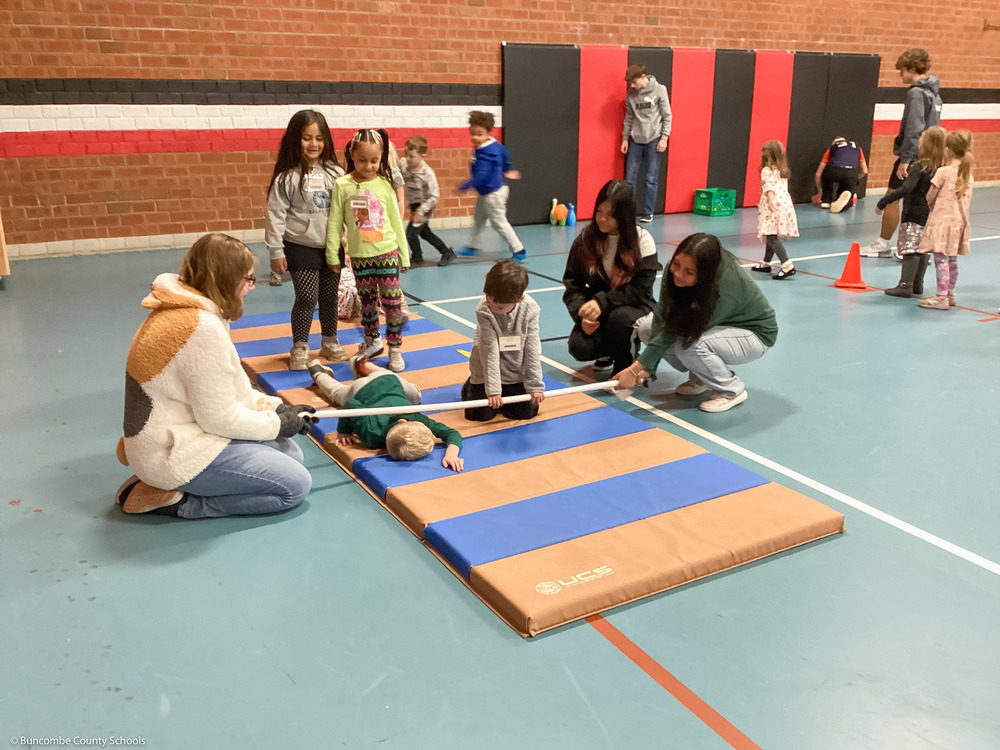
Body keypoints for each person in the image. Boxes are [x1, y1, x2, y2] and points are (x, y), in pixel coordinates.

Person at [114, 233, 316, 518]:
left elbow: (231, 390)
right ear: (225, 279)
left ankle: (159, 483)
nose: (251, 287)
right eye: (248, 279)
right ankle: (180, 502)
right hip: (170, 453)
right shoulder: (201, 329)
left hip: (170, 437)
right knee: (294, 486)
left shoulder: (190, 311)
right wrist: (277, 425)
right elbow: (220, 418)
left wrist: (275, 408)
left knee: (291, 455)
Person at [614, 233, 778, 413]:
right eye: (676, 264)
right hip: (711, 325)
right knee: (647, 328)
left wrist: (636, 368)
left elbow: (682, 327)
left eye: (689, 272)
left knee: (691, 346)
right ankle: (703, 378)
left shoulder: (726, 288)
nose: (677, 273)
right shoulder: (677, 267)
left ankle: (731, 390)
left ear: (705, 274)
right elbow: (662, 315)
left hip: (753, 333)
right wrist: (649, 367)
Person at [265, 110, 346, 370]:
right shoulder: (287, 177)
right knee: (307, 297)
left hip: (331, 246)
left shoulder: (336, 173)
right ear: (295, 139)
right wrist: (276, 250)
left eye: (319, 139)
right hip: (300, 245)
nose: (314, 144)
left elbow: (344, 209)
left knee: (330, 296)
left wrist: (348, 240)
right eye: (307, 138)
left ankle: (329, 341)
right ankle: (300, 345)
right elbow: (275, 213)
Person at [328, 128, 410, 372]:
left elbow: (395, 221)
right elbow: (335, 222)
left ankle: (395, 346)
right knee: (367, 302)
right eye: (362, 160)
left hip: (387, 253)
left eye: (374, 161)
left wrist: (403, 254)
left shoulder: (385, 184)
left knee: (393, 303)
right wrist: (333, 254)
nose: (369, 166)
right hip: (361, 257)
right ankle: (372, 340)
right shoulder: (343, 185)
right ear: (351, 155)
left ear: (381, 158)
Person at [562, 179, 657, 380]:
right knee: (579, 347)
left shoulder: (642, 241)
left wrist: (602, 302)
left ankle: (626, 358)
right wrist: (583, 315)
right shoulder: (586, 240)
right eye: (599, 212)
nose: (602, 220)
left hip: (634, 306)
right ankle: (607, 351)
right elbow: (572, 284)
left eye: (611, 215)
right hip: (599, 308)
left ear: (624, 216)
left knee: (620, 319)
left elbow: (640, 291)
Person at [308, 356, 464, 472]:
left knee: (416, 394)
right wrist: (343, 431)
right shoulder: (371, 435)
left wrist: (451, 454)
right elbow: (350, 405)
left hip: (389, 380)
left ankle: (365, 365)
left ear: (402, 422)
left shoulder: (414, 418)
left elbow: (452, 434)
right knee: (337, 394)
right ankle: (318, 373)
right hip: (361, 388)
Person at [861, 49, 942, 258]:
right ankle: (913, 247)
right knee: (918, 203)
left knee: (892, 197)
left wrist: (905, 159)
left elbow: (914, 128)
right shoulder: (935, 93)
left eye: (902, 71)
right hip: (930, 157)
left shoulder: (916, 93)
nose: (900, 75)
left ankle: (883, 243)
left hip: (914, 156)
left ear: (912, 69)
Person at [462, 259, 544, 421]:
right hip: (486, 371)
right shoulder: (484, 309)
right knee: (479, 415)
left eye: (499, 307)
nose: (492, 307)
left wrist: (534, 385)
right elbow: (489, 349)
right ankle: (470, 386)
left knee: (525, 414)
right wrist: (493, 389)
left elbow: (532, 348)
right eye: (488, 298)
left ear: (519, 299)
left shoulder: (531, 309)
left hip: (515, 371)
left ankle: (508, 390)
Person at [875, 126, 946, 298]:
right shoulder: (941, 168)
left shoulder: (919, 167)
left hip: (913, 213)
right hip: (930, 215)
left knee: (910, 249)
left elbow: (906, 188)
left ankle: (905, 284)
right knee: (922, 249)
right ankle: (917, 283)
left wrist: (885, 201)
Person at [455, 110, 527, 262]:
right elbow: (505, 153)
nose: (475, 137)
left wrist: (464, 186)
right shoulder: (493, 146)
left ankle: (519, 249)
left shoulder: (487, 152)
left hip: (494, 193)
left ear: (488, 132)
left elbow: (481, 175)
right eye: (472, 133)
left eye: (479, 134)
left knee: (498, 222)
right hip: (486, 192)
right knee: (479, 218)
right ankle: (472, 246)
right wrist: (507, 169)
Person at [917, 130, 974, 310]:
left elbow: (930, 195)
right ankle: (950, 293)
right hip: (959, 222)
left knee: (940, 258)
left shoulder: (943, 171)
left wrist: (932, 204)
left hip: (942, 221)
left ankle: (941, 296)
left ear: (947, 150)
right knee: (952, 259)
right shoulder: (967, 174)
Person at [621, 63, 672, 223]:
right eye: (631, 84)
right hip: (636, 140)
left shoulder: (660, 90)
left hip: (653, 139)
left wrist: (664, 137)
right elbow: (629, 117)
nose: (633, 86)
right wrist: (625, 138)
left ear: (643, 77)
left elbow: (667, 116)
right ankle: (629, 213)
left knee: (651, 178)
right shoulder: (631, 94)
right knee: (629, 180)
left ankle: (648, 212)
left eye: (635, 82)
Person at [401, 134, 457, 266]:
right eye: (406, 155)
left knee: (411, 233)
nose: (408, 159)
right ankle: (447, 252)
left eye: (412, 156)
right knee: (425, 233)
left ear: (422, 156)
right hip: (414, 204)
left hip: (425, 204)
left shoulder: (427, 173)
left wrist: (421, 211)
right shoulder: (403, 164)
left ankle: (417, 258)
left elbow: (434, 196)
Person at [750, 141, 799, 280]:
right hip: (785, 203)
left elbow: (769, 187)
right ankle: (766, 262)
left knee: (771, 236)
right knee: (771, 234)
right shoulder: (782, 169)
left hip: (773, 204)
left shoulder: (766, 170)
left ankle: (787, 264)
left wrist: (770, 200)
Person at [814, 137, 869, 213]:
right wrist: (856, 179)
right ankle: (844, 202)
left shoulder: (833, 147)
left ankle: (826, 201)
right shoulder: (858, 148)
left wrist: (820, 191)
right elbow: (865, 171)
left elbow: (818, 174)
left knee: (826, 174)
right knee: (847, 190)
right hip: (852, 173)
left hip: (835, 171)